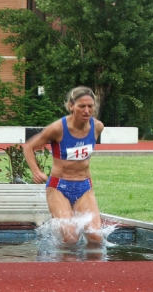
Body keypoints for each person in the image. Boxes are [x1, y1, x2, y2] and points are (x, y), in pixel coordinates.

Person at [23, 86, 104, 245]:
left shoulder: (97, 127)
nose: (86, 110)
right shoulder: (58, 128)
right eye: (82, 106)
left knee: (95, 237)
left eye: (90, 106)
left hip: (84, 187)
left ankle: (90, 269)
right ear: (71, 106)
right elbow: (28, 146)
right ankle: (62, 266)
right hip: (59, 187)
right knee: (70, 238)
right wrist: (36, 171)